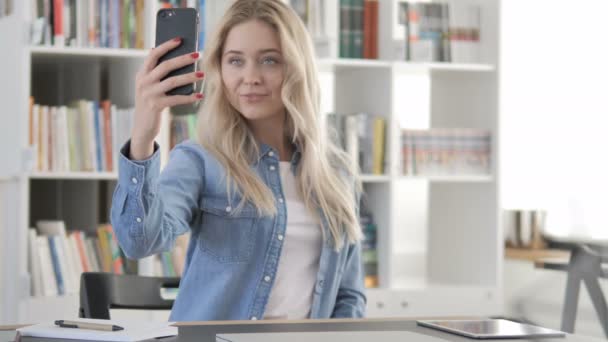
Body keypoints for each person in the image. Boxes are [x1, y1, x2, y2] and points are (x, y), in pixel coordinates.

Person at [111, 0, 365, 321]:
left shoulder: (337, 173)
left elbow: (348, 296)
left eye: (269, 60)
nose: (250, 77)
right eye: (235, 61)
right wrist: (144, 134)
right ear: (219, 69)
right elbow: (139, 241)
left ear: (297, 69)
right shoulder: (200, 160)